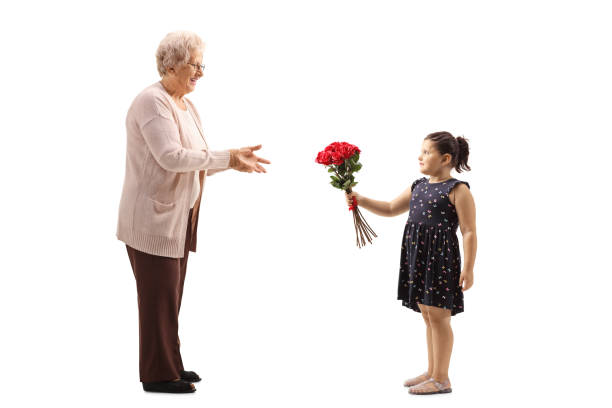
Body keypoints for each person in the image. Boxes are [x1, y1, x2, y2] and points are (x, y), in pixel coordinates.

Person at [116, 31, 271, 393]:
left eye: (203, 64)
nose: (200, 72)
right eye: (194, 64)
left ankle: (170, 363)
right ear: (170, 64)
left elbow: (193, 160)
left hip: (178, 218)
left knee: (169, 298)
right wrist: (228, 156)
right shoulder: (152, 103)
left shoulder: (185, 103)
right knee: (158, 300)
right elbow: (170, 157)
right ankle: (157, 375)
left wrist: (232, 163)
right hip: (152, 219)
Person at [345, 131, 476, 395]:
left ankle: (442, 378)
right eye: (422, 150)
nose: (421, 156)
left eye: (427, 152)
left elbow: (469, 231)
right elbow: (392, 207)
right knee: (428, 315)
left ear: (445, 158)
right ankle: (432, 371)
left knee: (439, 317)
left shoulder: (457, 190)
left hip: (440, 260)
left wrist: (469, 268)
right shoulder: (419, 186)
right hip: (418, 257)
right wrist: (360, 199)